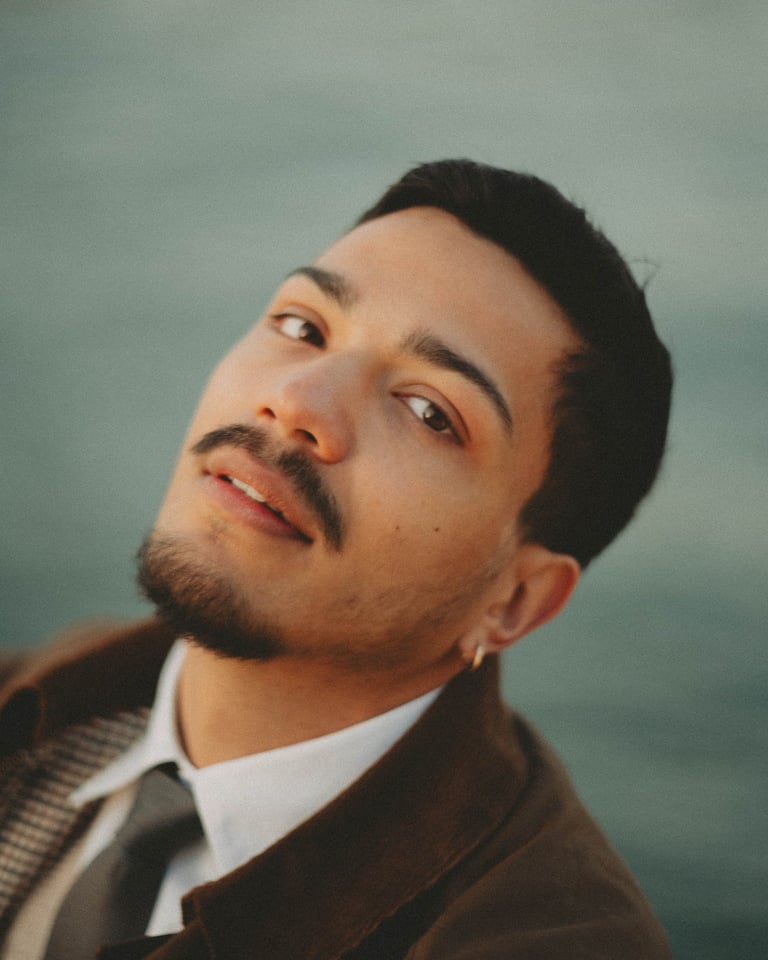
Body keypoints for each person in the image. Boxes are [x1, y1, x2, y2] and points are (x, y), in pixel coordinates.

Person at [0, 159, 672, 959]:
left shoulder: (542, 938)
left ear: (515, 601)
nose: (297, 402)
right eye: (303, 327)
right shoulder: (31, 706)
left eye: (428, 411)